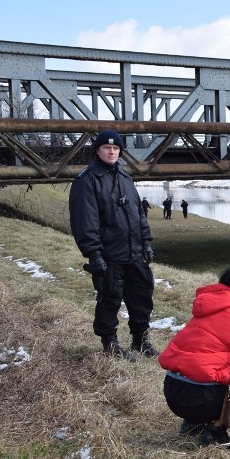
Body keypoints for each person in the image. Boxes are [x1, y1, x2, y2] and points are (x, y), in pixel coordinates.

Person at [158, 267, 230, 446]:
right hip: (201, 401)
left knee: (208, 372)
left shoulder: (204, 308)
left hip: (172, 392)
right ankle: (216, 430)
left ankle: (193, 424)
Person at [69, 130, 159, 360]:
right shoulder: (86, 180)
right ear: (98, 150)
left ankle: (141, 340)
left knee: (141, 297)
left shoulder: (126, 177)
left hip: (134, 252)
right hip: (109, 254)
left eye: (116, 148)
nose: (112, 152)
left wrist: (146, 241)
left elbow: (139, 213)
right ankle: (110, 345)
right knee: (109, 299)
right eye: (107, 148)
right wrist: (94, 253)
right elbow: (85, 221)